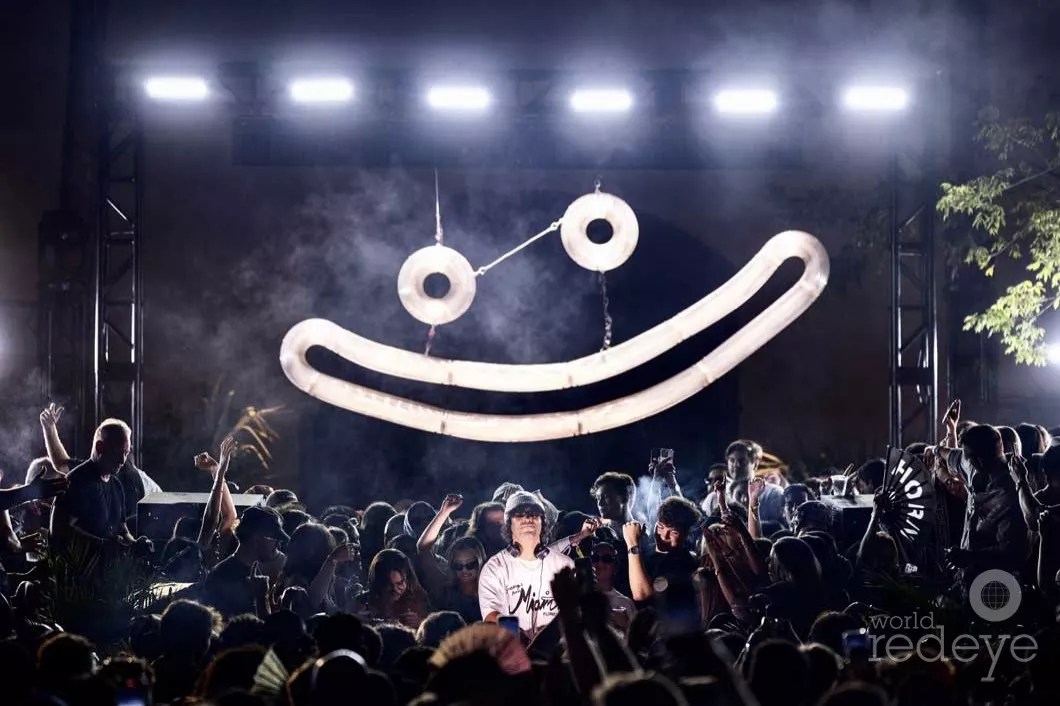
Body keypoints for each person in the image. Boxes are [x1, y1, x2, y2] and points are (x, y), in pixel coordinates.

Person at [40, 404, 162, 526]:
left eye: (124, 452)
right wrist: (50, 428)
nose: (121, 460)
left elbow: (61, 464)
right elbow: (62, 464)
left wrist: (50, 428)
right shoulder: (100, 471)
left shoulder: (116, 474)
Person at [478, 491, 573, 642]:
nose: (527, 519)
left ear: (543, 522)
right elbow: (490, 615)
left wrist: (549, 635)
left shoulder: (565, 565)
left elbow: (575, 612)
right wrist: (519, 634)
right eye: (519, 515)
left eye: (534, 514)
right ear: (508, 524)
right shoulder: (494, 568)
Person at [49, 420, 151, 555]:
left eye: (126, 453)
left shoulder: (116, 486)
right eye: (118, 452)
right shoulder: (76, 481)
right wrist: (104, 545)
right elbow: (59, 531)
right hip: (79, 567)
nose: (122, 460)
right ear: (100, 447)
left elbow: (123, 530)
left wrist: (134, 544)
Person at [201, 505, 288, 617]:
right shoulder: (226, 577)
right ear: (256, 537)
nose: (277, 544)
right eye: (274, 538)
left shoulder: (249, 571)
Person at [702, 440, 786, 528]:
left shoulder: (773, 493)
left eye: (742, 461)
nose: (736, 465)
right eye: (732, 460)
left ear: (755, 464)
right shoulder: (714, 497)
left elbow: (781, 526)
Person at [588, 539, 636, 634]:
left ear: (615, 567)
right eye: (595, 558)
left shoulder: (625, 603)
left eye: (607, 559)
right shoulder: (578, 596)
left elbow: (638, 640)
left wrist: (625, 626)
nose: (600, 563)